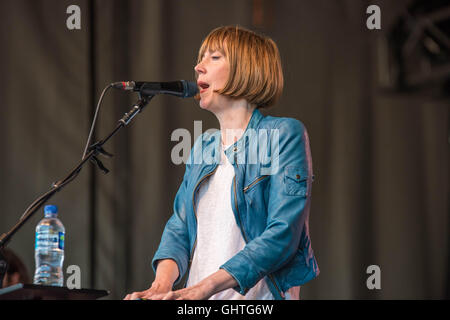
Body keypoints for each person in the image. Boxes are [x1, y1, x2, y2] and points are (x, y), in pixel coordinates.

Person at [125, 25, 319, 300]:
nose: (198, 67)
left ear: (247, 68)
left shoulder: (284, 134)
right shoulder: (204, 145)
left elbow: (283, 234)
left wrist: (204, 287)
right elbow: (179, 226)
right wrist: (160, 286)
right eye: (201, 57)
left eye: (214, 57)